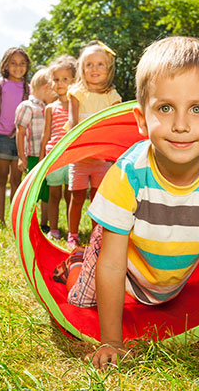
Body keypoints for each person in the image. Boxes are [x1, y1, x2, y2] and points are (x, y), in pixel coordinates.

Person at [55, 36, 199, 370]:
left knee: (161, 297)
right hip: (120, 261)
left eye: (197, 109)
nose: (180, 125)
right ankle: (76, 262)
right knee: (83, 294)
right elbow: (111, 263)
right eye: (165, 108)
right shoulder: (129, 172)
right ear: (140, 118)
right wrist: (111, 342)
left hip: (167, 278)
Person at [66, 41, 122, 249]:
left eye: (100, 64)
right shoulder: (76, 93)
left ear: (109, 69)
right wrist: (73, 149)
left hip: (102, 157)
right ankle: (72, 234)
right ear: (82, 68)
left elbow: (113, 127)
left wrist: (111, 152)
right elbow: (73, 124)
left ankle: (95, 235)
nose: (94, 69)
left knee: (97, 198)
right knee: (77, 195)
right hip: (80, 155)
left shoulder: (112, 97)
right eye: (89, 64)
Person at [0, 47, 31, 224]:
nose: (18, 67)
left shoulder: (28, 89)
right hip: (2, 137)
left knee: (16, 180)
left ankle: (14, 220)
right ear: (5, 65)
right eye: (13, 63)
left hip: (20, 139)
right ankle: (0, 219)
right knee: (1, 177)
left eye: (22, 64)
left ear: (27, 66)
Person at [39, 55, 77, 240]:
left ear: (74, 81)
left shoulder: (77, 105)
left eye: (65, 79)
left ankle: (72, 231)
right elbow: (46, 135)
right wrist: (41, 159)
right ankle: (53, 229)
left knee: (71, 196)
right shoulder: (50, 108)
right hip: (54, 156)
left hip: (72, 156)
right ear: (51, 83)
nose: (60, 83)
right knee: (54, 195)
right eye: (56, 80)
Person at [15, 67, 57, 232]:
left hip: (48, 156)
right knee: (33, 190)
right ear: (47, 87)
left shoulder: (51, 108)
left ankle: (44, 223)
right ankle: (28, 221)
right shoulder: (27, 106)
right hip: (33, 156)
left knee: (46, 190)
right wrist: (21, 156)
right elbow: (20, 132)